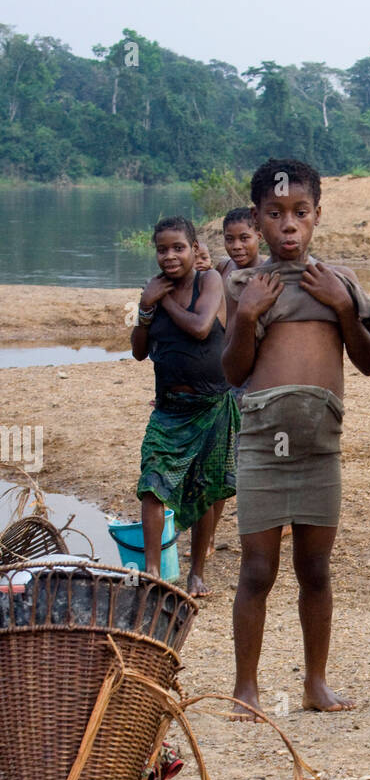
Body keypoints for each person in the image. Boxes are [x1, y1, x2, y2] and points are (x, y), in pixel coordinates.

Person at [222, 158, 370, 715]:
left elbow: (366, 362)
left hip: (320, 448)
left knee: (315, 569)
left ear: (316, 216)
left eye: (300, 213)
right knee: (257, 570)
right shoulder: (243, 283)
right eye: (275, 213)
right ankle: (246, 688)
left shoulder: (340, 283)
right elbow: (233, 373)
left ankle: (316, 683)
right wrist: (245, 318)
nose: (288, 225)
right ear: (258, 219)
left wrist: (342, 307)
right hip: (263, 446)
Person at [132, 216, 239, 597]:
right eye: (163, 249)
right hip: (168, 408)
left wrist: (161, 300)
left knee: (206, 489)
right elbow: (139, 351)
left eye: (178, 247)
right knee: (152, 484)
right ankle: (152, 572)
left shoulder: (208, 281)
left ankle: (196, 573)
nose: (170, 255)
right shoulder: (153, 291)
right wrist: (146, 308)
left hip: (211, 404)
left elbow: (201, 327)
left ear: (195, 249)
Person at [216, 208, 264, 280]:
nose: (236, 246)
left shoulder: (267, 273)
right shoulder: (223, 267)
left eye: (244, 238)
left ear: (259, 236)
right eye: (229, 239)